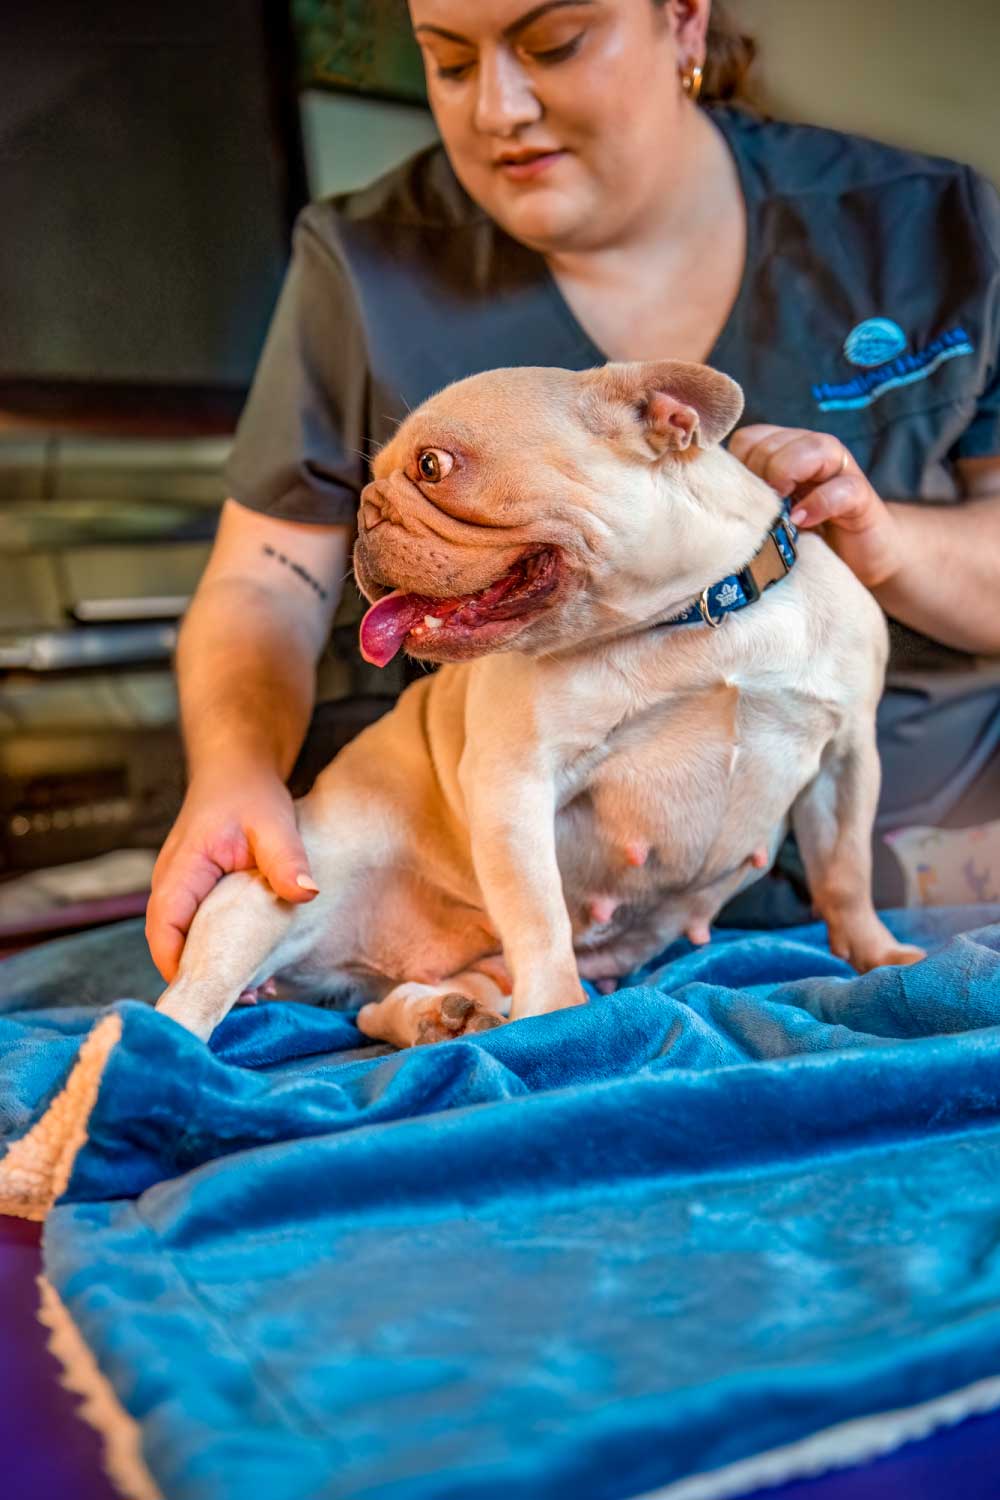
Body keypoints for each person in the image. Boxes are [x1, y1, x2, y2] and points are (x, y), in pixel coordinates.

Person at [146, 0, 1000, 982]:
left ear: (682, 21)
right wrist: (234, 770)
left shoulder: (920, 221)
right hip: (507, 891)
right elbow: (265, 580)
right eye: (448, 62)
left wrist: (883, 544)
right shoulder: (366, 259)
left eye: (552, 44)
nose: (498, 107)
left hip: (921, 874)